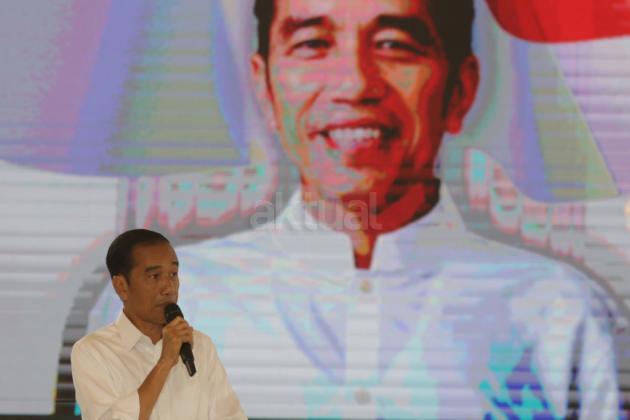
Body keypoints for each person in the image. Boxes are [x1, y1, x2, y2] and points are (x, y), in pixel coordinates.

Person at [87, 1, 621, 418]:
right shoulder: (162, 304)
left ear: (461, 89)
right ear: (265, 87)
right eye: (313, 44)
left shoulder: (558, 313)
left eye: (393, 45)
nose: (356, 84)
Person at [71, 229, 246, 419]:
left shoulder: (201, 346)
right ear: (121, 286)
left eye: (173, 274)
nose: (169, 288)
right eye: (154, 276)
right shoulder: (93, 351)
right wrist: (165, 362)